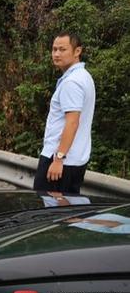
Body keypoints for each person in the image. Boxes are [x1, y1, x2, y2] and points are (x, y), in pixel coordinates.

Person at [33, 33, 95, 194]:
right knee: (67, 214)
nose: (56, 54)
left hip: (60, 161)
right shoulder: (84, 77)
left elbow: (72, 122)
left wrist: (59, 158)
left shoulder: (71, 82)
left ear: (77, 51)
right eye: (54, 49)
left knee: (47, 213)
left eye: (62, 49)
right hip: (75, 160)